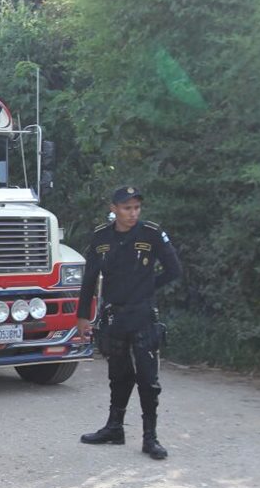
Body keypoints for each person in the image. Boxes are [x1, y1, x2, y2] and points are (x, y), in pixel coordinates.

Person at [77, 185, 182, 459]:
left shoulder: (151, 233)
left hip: (143, 315)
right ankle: (114, 428)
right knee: (118, 375)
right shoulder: (101, 238)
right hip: (115, 316)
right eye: (126, 208)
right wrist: (82, 316)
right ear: (114, 209)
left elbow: (174, 270)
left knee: (148, 378)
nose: (133, 213)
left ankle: (150, 438)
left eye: (136, 207)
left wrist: (147, 287)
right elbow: (89, 279)